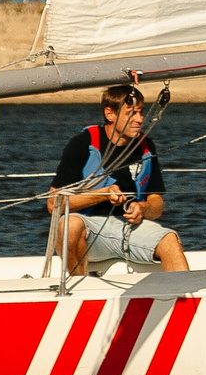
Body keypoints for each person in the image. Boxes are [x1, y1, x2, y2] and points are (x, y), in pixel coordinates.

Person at [47, 85, 189, 274]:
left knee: (170, 241)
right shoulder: (83, 143)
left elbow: (157, 205)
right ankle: (79, 290)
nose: (139, 120)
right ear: (110, 114)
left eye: (141, 112)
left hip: (130, 227)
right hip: (90, 229)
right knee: (69, 225)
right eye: (131, 113)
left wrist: (143, 208)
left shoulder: (145, 146)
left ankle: (184, 299)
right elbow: (53, 203)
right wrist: (103, 195)